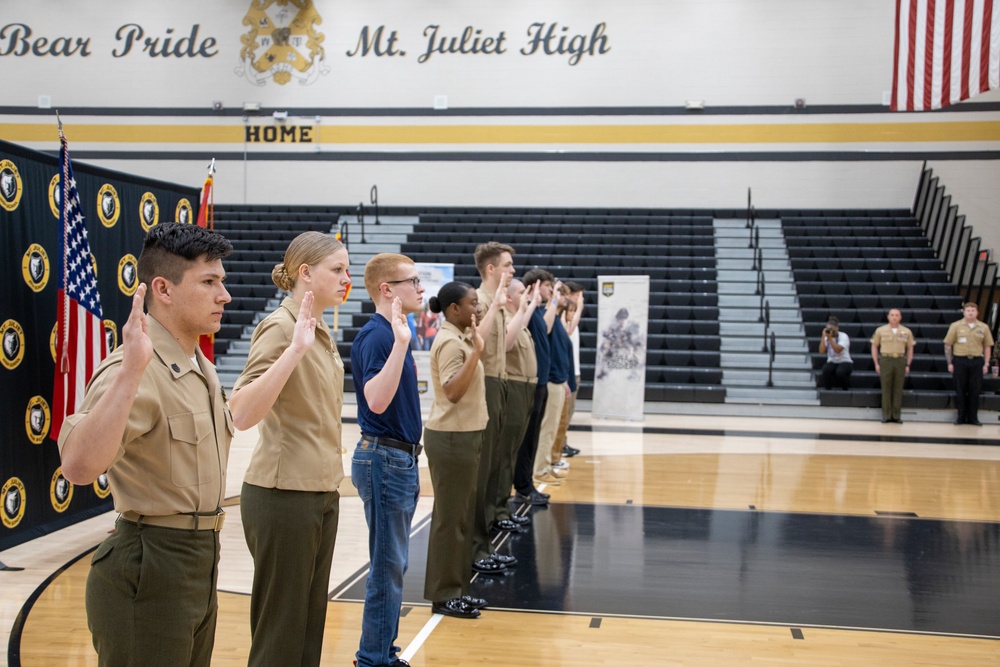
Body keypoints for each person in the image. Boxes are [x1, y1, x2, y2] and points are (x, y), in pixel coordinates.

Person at [57, 222, 233, 666]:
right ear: (163, 289)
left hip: (198, 560)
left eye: (223, 282)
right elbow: (78, 467)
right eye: (209, 282)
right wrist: (132, 370)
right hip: (152, 563)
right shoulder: (134, 367)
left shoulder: (198, 365)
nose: (224, 295)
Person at [228, 232, 350, 666]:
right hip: (283, 495)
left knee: (308, 624)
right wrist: (294, 350)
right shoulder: (281, 327)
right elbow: (240, 411)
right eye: (336, 269)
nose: (345, 278)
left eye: (347, 270)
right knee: (281, 630)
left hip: (320, 490)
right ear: (305, 273)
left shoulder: (319, 330)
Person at [350, 253, 425, 667]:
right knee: (386, 566)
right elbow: (377, 401)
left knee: (392, 564)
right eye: (412, 281)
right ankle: (373, 659)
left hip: (397, 460)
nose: (420, 288)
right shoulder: (379, 336)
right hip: (384, 459)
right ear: (387, 289)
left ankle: (381, 653)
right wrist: (400, 345)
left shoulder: (391, 333)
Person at [422, 282, 489, 619]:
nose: (477, 308)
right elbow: (452, 392)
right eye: (472, 303)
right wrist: (476, 352)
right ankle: (443, 594)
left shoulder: (460, 337)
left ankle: (458, 588)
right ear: (453, 309)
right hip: (451, 438)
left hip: (465, 435)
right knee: (450, 520)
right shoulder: (450, 343)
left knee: (461, 516)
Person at [470, 242, 515, 575]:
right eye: (508, 266)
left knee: (495, 464)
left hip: (499, 384)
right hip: (483, 386)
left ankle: (484, 541)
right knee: (482, 471)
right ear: (491, 269)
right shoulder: (477, 302)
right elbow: (476, 348)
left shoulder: (497, 303)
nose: (512, 271)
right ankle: (477, 546)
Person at [492, 278, 540, 532]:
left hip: (526, 387)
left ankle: (503, 505)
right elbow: (507, 345)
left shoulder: (516, 319)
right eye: (522, 292)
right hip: (514, 388)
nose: (526, 296)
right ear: (509, 297)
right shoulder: (507, 320)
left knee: (512, 452)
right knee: (505, 453)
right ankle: (499, 509)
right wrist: (523, 310)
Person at [944, 302, 994, 426]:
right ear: (964, 312)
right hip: (960, 360)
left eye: (973, 310)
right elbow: (948, 345)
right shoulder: (955, 326)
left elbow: (987, 346)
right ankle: (960, 417)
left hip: (977, 361)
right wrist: (950, 362)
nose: (970, 312)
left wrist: (986, 363)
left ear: (977, 312)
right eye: (968, 310)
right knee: (960, 390)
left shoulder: (983, 327)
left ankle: (973, 418)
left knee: (975, 390)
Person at [870, 308, 915, 424]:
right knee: (886, 388)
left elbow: (910, 348)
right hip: (886, 359)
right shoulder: (880, 330)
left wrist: (908, 363)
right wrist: (876, 363)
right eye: (892, 315)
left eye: (897, 315)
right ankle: (886, 415)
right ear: (888, 317)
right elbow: (874, 346)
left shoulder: (906, 331)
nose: (894, 317)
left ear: (900, 317)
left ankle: (896, 415)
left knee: (898, 389)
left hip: (900, 360)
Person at [819, 316, 853, 390]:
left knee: (840, 372)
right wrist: (823, 336)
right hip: (832, 360)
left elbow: (838, 350)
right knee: (825, 369)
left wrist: (830, 339)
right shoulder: (826, 337)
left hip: (845, 361)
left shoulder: (843, 336)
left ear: (837, 328)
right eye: (828, 329)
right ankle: (828, 389)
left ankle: (845, 388)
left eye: (832, 330)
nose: (831, 332)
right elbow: (821, 351)